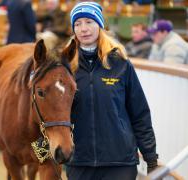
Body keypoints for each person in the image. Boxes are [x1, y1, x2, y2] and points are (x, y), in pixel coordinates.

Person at [66, 2, 158, 180]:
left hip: (120, 163)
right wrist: (44, 154)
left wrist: (151, 157)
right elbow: (50, 114)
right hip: (79, 162)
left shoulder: (121, 64)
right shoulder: (66, 67)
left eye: (89, 22)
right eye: (77, 24)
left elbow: (139, 113)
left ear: (99, 25)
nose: (83, 29)